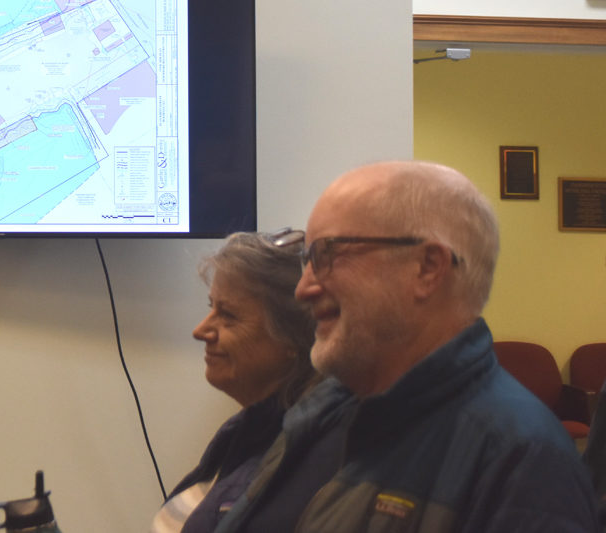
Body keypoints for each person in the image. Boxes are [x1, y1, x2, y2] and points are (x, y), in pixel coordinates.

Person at [214, 160, 601, 532]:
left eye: (326, 255)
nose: (303, 289)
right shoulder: (325, 410)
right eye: (306, 261)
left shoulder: (521, 461)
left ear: (427, 268)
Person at [149, 231, 319, 533]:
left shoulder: (307, 461)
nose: (200, 331)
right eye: (210, 307)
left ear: (293, 337)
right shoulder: (242, 433)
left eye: (227, 315)